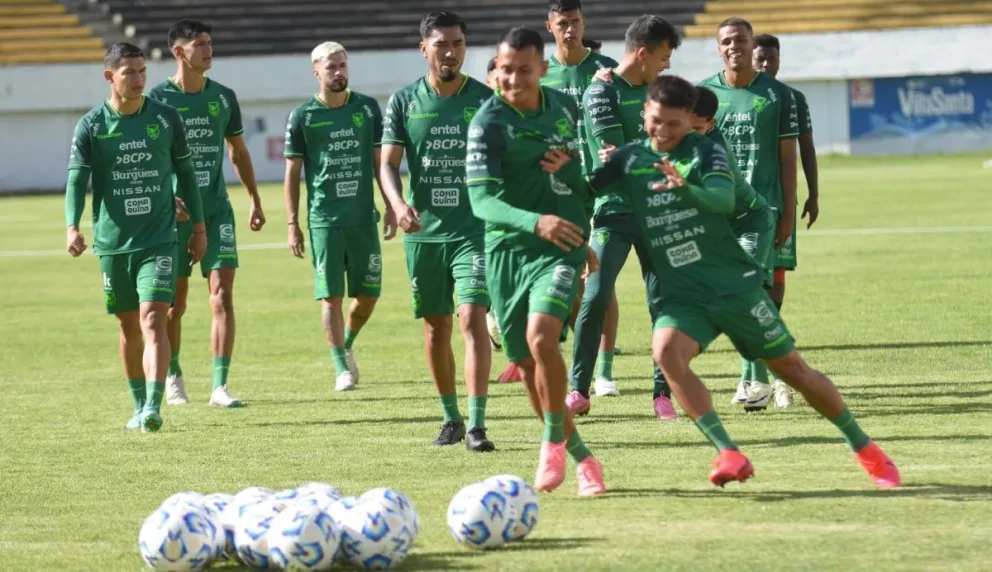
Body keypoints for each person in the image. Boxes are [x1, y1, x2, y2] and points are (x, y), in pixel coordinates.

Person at [587, 75, 900, 489]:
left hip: (733, 288)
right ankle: (729, 452)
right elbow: (583, 189)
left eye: (674, 124)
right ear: (645, 112)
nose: (663, 131)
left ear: (691, 121)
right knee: (666, 353)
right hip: (685, 297)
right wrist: (557, 175)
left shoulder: (707, 152)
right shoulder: (629, 158)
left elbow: (722, 198)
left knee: (794, 371)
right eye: (656, 121)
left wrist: (686, 189)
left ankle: (865, 447)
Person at [467, 27, 606, 496]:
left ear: (543, 69)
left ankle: (550, 440)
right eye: (506, 70)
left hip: (558, 248)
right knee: (527, 366)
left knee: (542, 336)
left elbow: (575, 175)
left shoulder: (564, 108)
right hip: (508, 253)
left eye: (523, 70)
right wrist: (535, 222)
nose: (513, 79)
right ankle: (583, 458)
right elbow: (482, 202)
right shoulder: (487, 123)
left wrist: (577, 228)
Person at [65, 42, 206, 432]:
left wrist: (198, 228)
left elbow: (186, 174)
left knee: (153, 318)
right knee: (128, 326)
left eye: (143, 71)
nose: (139, 79)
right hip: (113, 243)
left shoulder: (165, 118)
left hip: (159, 239)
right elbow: (77, 180)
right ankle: (138, 403)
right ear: (110, 76)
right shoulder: (92, 125)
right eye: (129, 72)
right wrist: (72, 226)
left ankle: (154, 407)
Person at [379, 11, 495, 451]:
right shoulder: (404, 101)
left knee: (472, 318)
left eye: (458, 43)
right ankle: (451, 418)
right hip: (424, 232)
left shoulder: (484, 99)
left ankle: (478, 425)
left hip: (474, 230)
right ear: (423, 48)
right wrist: (398, 204)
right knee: (435, 328)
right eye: (441, 44)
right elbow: (388, 164)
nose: (450, 52)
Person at [148, 19, 266, 408]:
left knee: (222, 297)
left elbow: (238, 151)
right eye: (199, 44)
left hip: (216, 211)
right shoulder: (157, 100)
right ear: (178, 52)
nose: (208, 49)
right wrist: (166, 197)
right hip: (175, 216)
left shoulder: (224, 97)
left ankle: (219, 386)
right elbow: (151, 158)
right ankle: (173, 375)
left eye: (210, 42)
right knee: (175, 304)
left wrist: (254, 198)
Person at [568, 15, 680, 420]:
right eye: (663, 57)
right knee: (596, 295)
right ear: (643, 53)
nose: (667, 65)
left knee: (664, 301)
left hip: (659, 212)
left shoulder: (661, 93)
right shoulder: (601, 90)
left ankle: (662, 393)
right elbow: (615, 161)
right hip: (613, 212)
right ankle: (578, 390)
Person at [283, 41, 395, 391]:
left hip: (363, 219)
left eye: (342, 65)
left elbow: (379, 164)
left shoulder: (366, 108)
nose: (338, 72)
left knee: (369, 295)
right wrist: (292, 223)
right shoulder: (303, 116)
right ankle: (340, 368)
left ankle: (346, 344)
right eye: (331, 67)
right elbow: (292, 173)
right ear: (316, 72)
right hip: (325, 221)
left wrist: (392, 205)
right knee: (330, 296)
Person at [699, 18, 798, 411]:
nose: (733, 46)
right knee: (738, 294)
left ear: (751, 43)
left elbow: (788, 158)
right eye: (726, 41)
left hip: (763, 210)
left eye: (740, 40)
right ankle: (777, 373)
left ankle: (754, 379)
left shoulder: (777, 95)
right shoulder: (704, 94)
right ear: (718, 47)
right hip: (720, 211)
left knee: (750, 289)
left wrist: (787, 215)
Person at [753, 33, 820, 408]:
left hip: (780, 205)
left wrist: (813, 193)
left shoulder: (792, 98)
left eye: (771, 58)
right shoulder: (741, 97)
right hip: (744, 207)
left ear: (779, 60)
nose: (765, 64)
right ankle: (763, 375)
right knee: (750, 288)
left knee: (774, 283)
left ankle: (773, 370)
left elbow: (804, 148)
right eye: (759, 58)